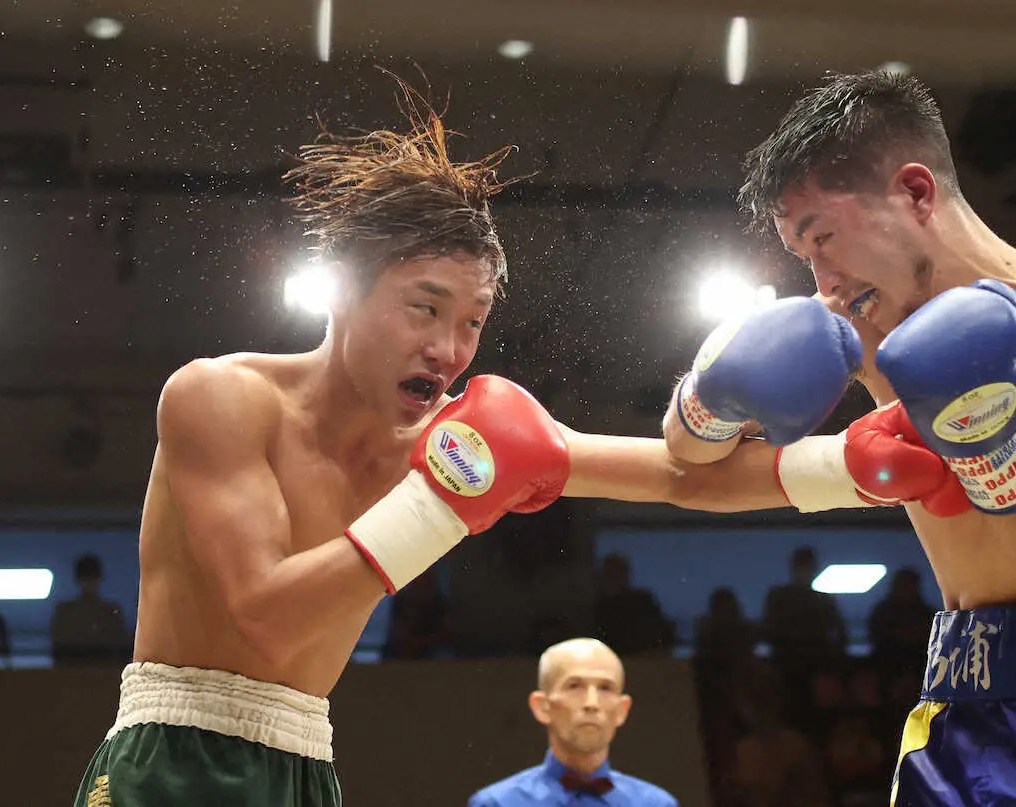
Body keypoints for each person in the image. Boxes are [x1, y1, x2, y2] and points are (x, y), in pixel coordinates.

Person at [67, 74, 823, 807]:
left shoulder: (455, 439)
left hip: (303, 766)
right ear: (344, 288)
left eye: (472, 322)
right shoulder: (221, 398)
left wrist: (852, 467)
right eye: (424, 310)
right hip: (175, 755)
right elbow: (267, 614)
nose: (448, 350)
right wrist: (439, 505)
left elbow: (678, 476)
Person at [663, 68, 1016, 806]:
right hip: (955, 705)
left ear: (916, 193)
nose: (823, 281)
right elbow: (690, 456)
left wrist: (983, 449)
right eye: (804, 257)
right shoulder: (861, 325)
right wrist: (707, 401)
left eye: (824, 239)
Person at [466, 637, 677, 807]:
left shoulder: (656, 804)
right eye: (574, 686)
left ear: (622, 710)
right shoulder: (497, 804)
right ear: (542, 706)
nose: (591, 703)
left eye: (605, 688)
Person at [50, 553, 131, 666]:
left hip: (105, 670)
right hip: (71, 671)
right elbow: (58, 648)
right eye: (85, 577)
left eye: (92, 577)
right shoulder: (65, 612)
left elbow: (120, 648)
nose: (88, 582)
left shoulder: (110, 612)